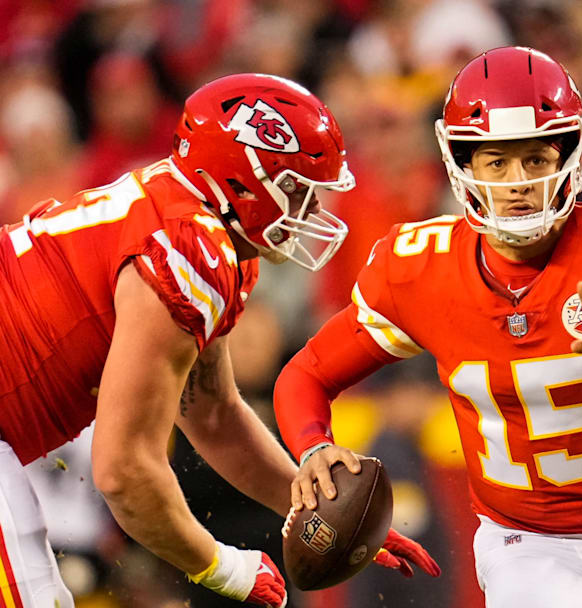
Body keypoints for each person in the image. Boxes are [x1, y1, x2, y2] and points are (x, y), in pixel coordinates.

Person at [274, 46, 582, 607]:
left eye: (536, 160)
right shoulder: (418, 267)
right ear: (464, 167)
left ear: (568, 158)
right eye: (497, 162)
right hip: (532, 546)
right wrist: (312, 447)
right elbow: (307, 376)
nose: (518, 182)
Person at [0, 73, 430, 608]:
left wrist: (317, 511)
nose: (311, 210)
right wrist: (223, 567)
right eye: (297, 188)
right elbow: (123, 470)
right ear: (243, 182)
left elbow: (211, 415)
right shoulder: (188, 248)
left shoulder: (197, 230)